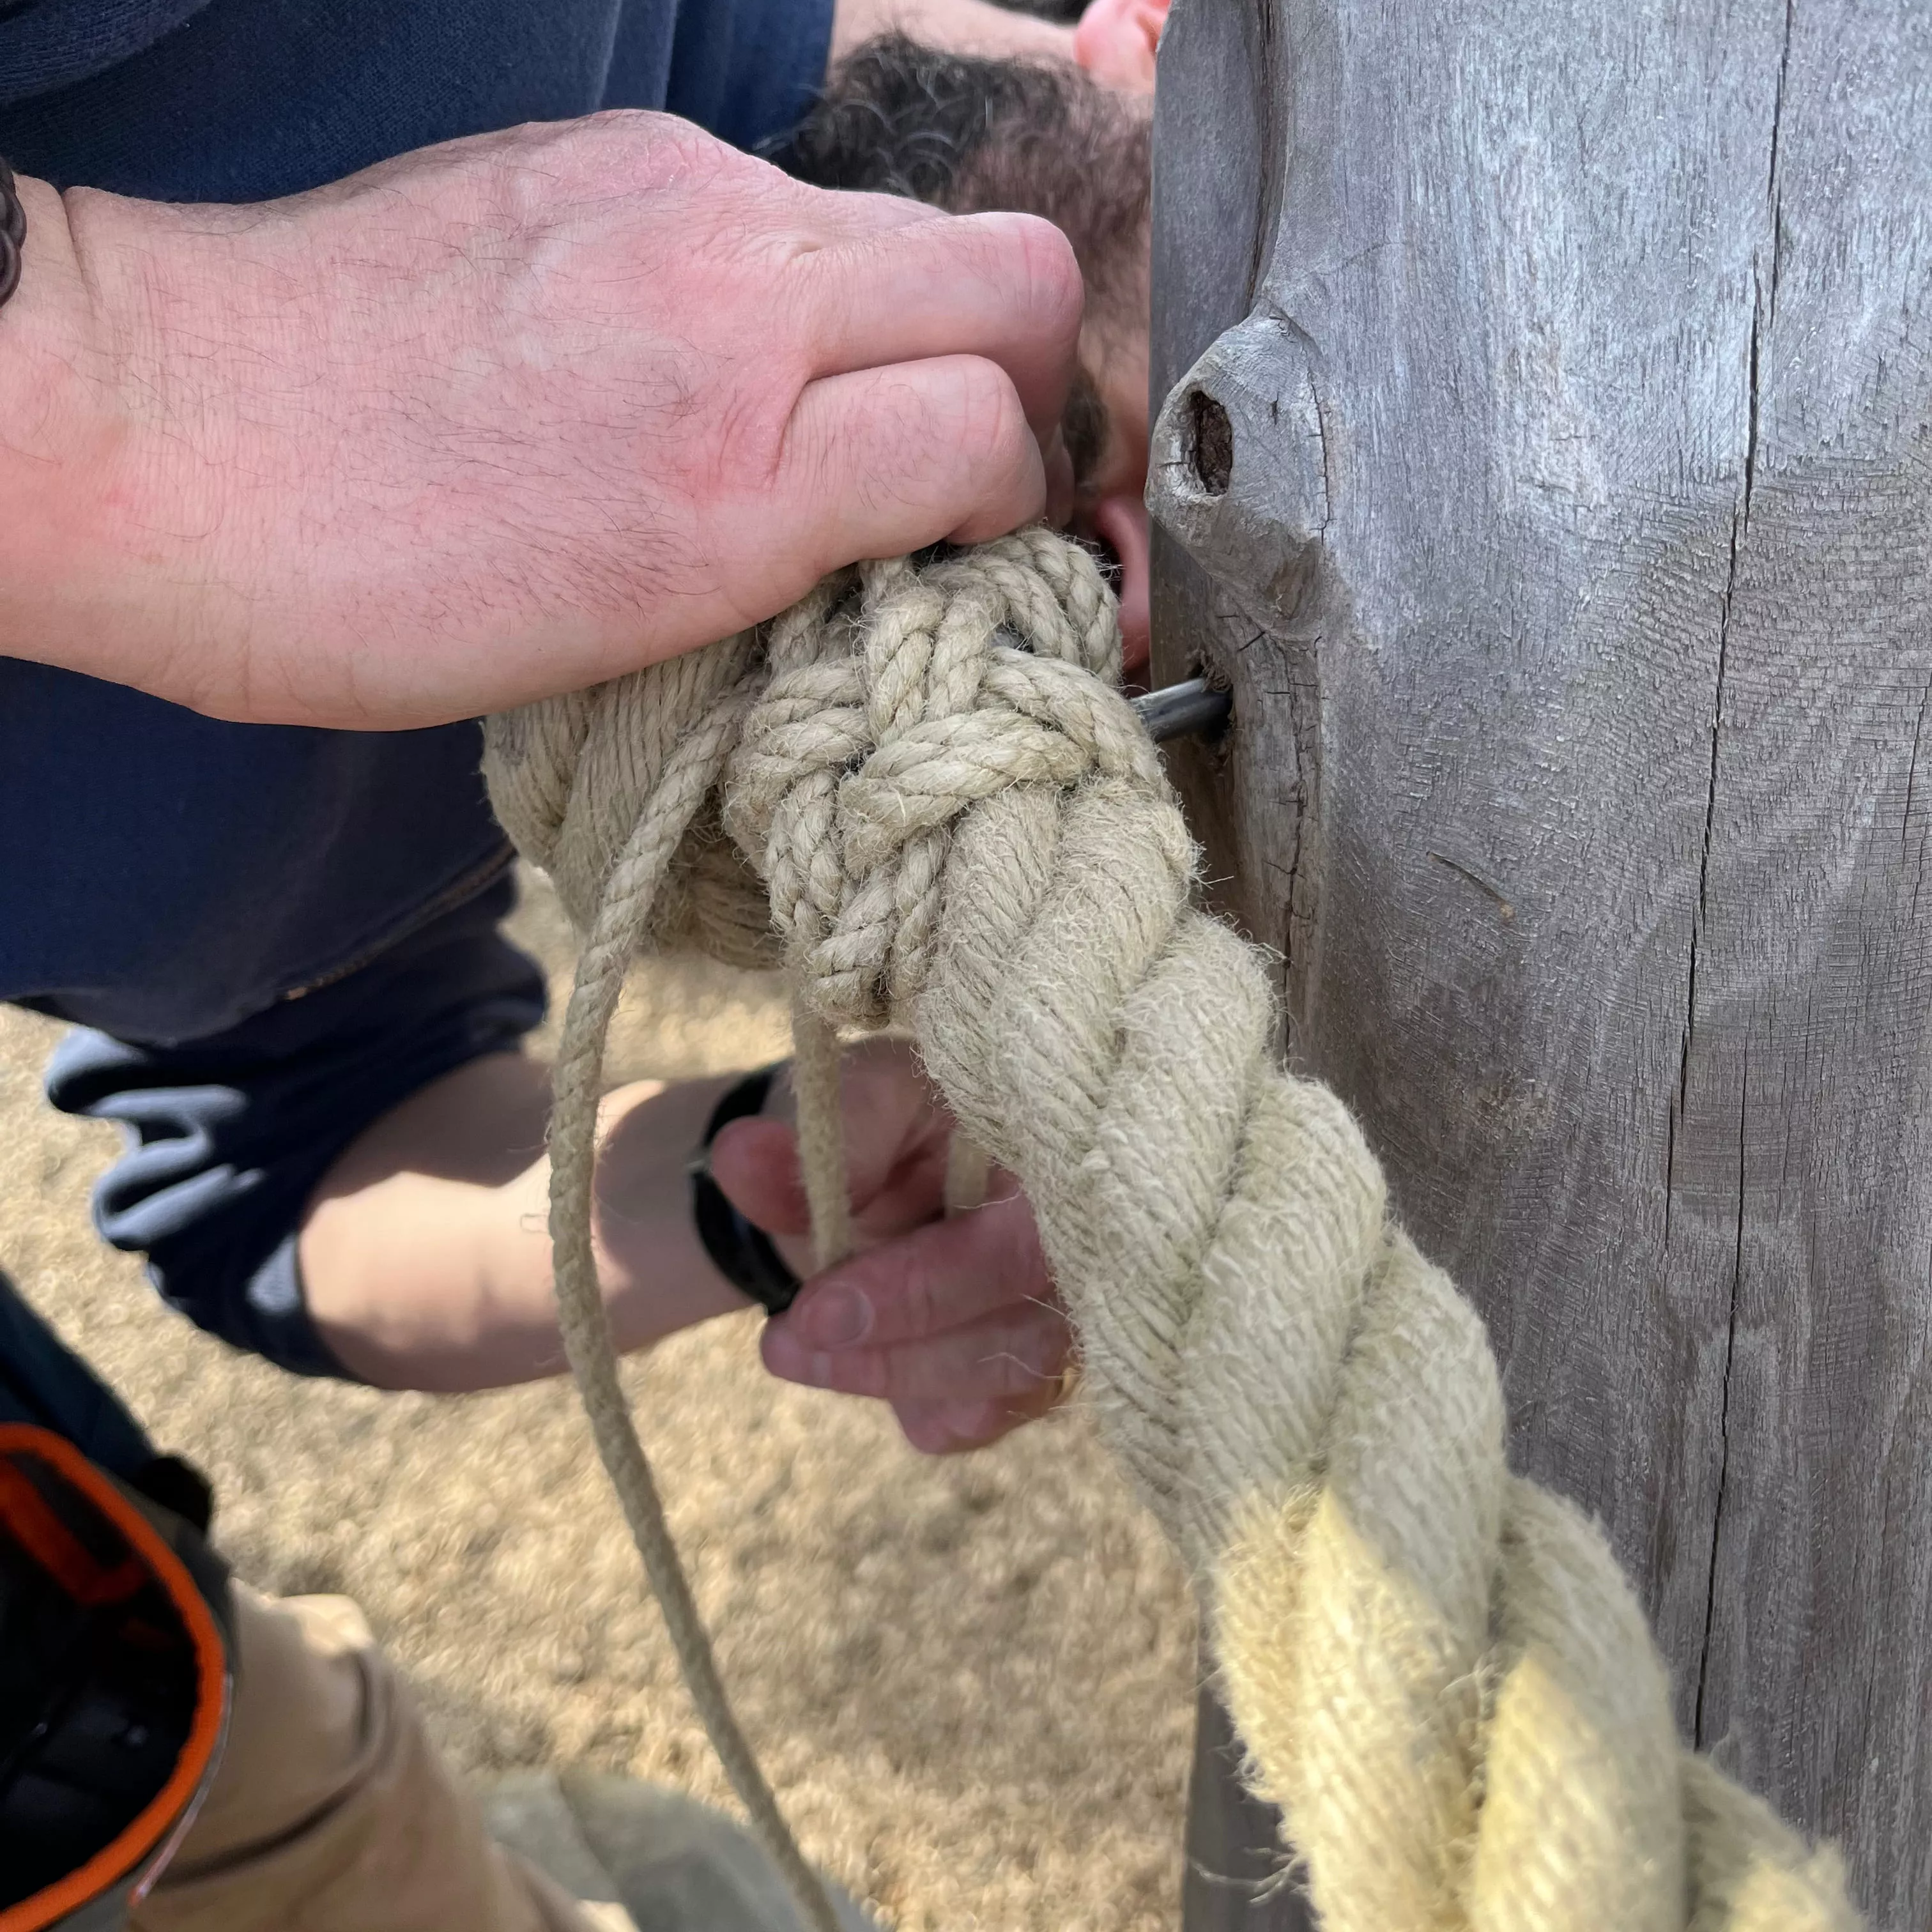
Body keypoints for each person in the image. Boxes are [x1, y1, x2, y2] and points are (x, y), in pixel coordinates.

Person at [0, 0, 1165, 1922]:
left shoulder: (539, 760)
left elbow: (289, 1165)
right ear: (1155, 45)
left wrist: (728, 1193)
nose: (1131, 598)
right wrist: (139, 378)